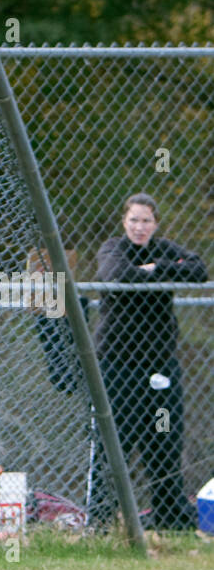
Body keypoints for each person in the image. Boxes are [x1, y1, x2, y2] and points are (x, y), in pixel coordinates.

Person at [89, 193, 206, 531]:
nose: (140, 227)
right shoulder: (114, 248)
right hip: (119, 366)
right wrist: (164, 275)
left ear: (155, 224)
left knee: (164, 437)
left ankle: (168, 514)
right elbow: (118, 274)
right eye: (134, 220)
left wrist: (156, 269)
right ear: (124, 221)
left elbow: (198, 270)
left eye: (146, 221)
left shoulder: (164, 248)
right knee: (116, 441)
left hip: (160, 366)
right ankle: (100, 519)